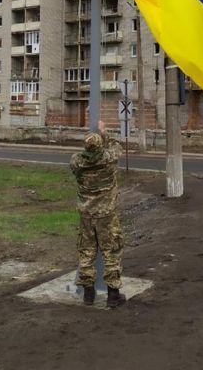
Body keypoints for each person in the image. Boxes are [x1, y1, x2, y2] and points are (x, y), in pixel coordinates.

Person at [70, 121, 126, 307]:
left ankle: (88, 294)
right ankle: (113, 295)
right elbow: (117, 147)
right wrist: (105, 133)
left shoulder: (77, 162)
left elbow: (80, 159)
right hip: (106, 216)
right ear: (101, 146)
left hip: (86, 215)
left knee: (86, 252)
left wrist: (92, 139)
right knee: (111, 252)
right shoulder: (108, 160)